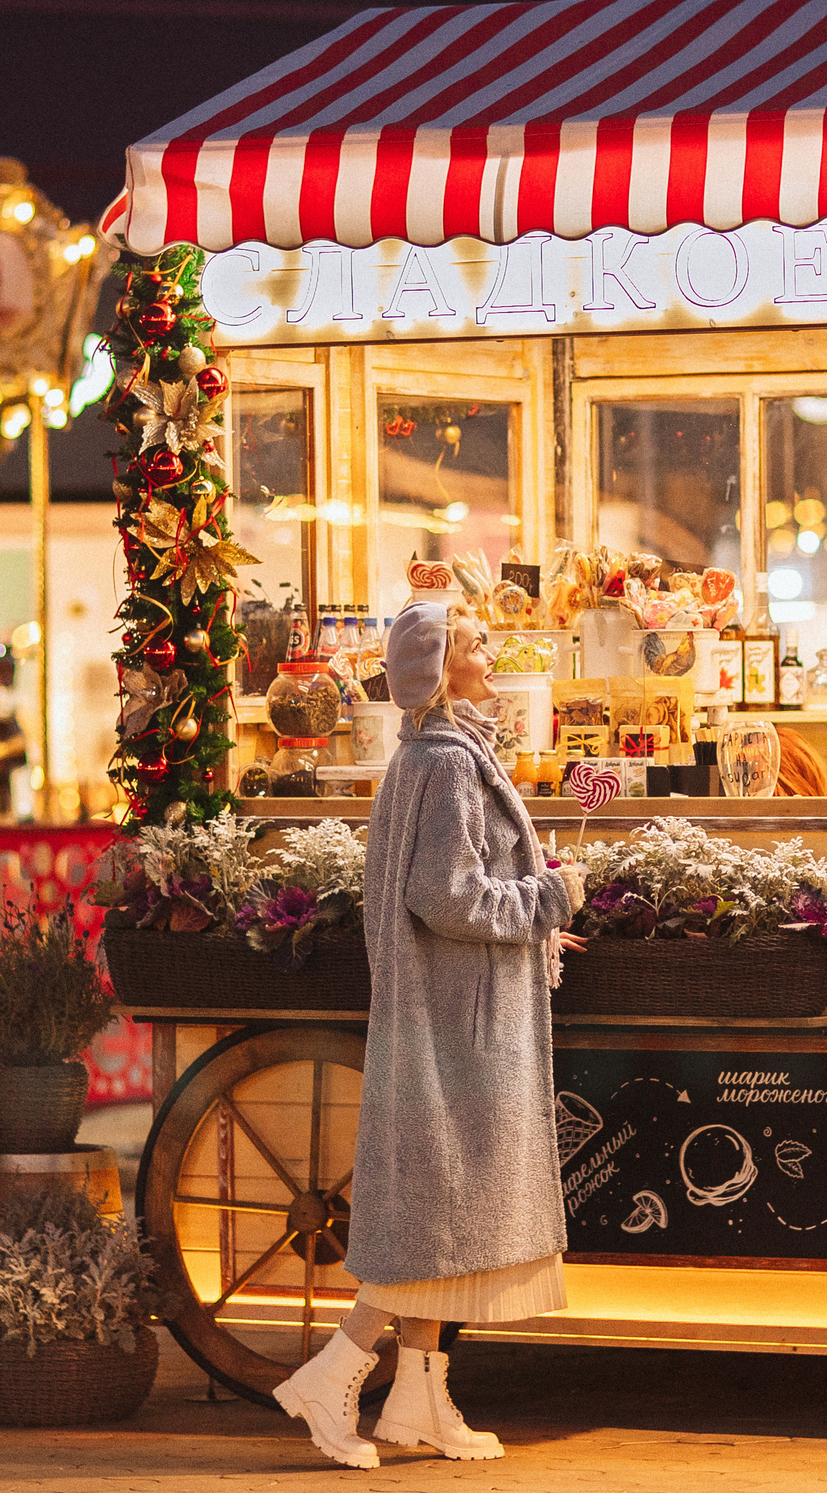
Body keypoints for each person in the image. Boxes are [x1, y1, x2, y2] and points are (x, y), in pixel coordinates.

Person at [273, 600, 587, 1469]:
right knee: (435, 1212)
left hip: (448, 1008)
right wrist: (551, 898)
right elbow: (446, 896)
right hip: (456, 1020)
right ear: (442, 665)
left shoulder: (433, 754)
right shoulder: (448, 763)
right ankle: (333, 1374)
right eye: (475, 643)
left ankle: (418, 1398)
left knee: (439, 1206)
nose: (490, 652)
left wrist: (532, 922)